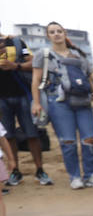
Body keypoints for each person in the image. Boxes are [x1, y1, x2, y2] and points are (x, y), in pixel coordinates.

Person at [32, 21, 93, 189]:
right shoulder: (43, 54)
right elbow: (36, 80)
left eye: (59, 31)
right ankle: (75, 177)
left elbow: (88, 76)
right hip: (58, 101)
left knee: (89, 139)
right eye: (52, 32)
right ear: (48, 36)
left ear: (64, 33)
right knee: (68, 141)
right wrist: (36, 103)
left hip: (83, 101)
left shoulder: (78, 54)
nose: (56, 34)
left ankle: (91, 175)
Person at [1, 23, 52, 186]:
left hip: (23, 94)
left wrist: (15, 65)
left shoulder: (15, 42)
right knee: (8, 136)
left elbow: (33, 63)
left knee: (32, 133)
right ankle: (15, 171)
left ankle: (40, 170)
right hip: (1, 98)